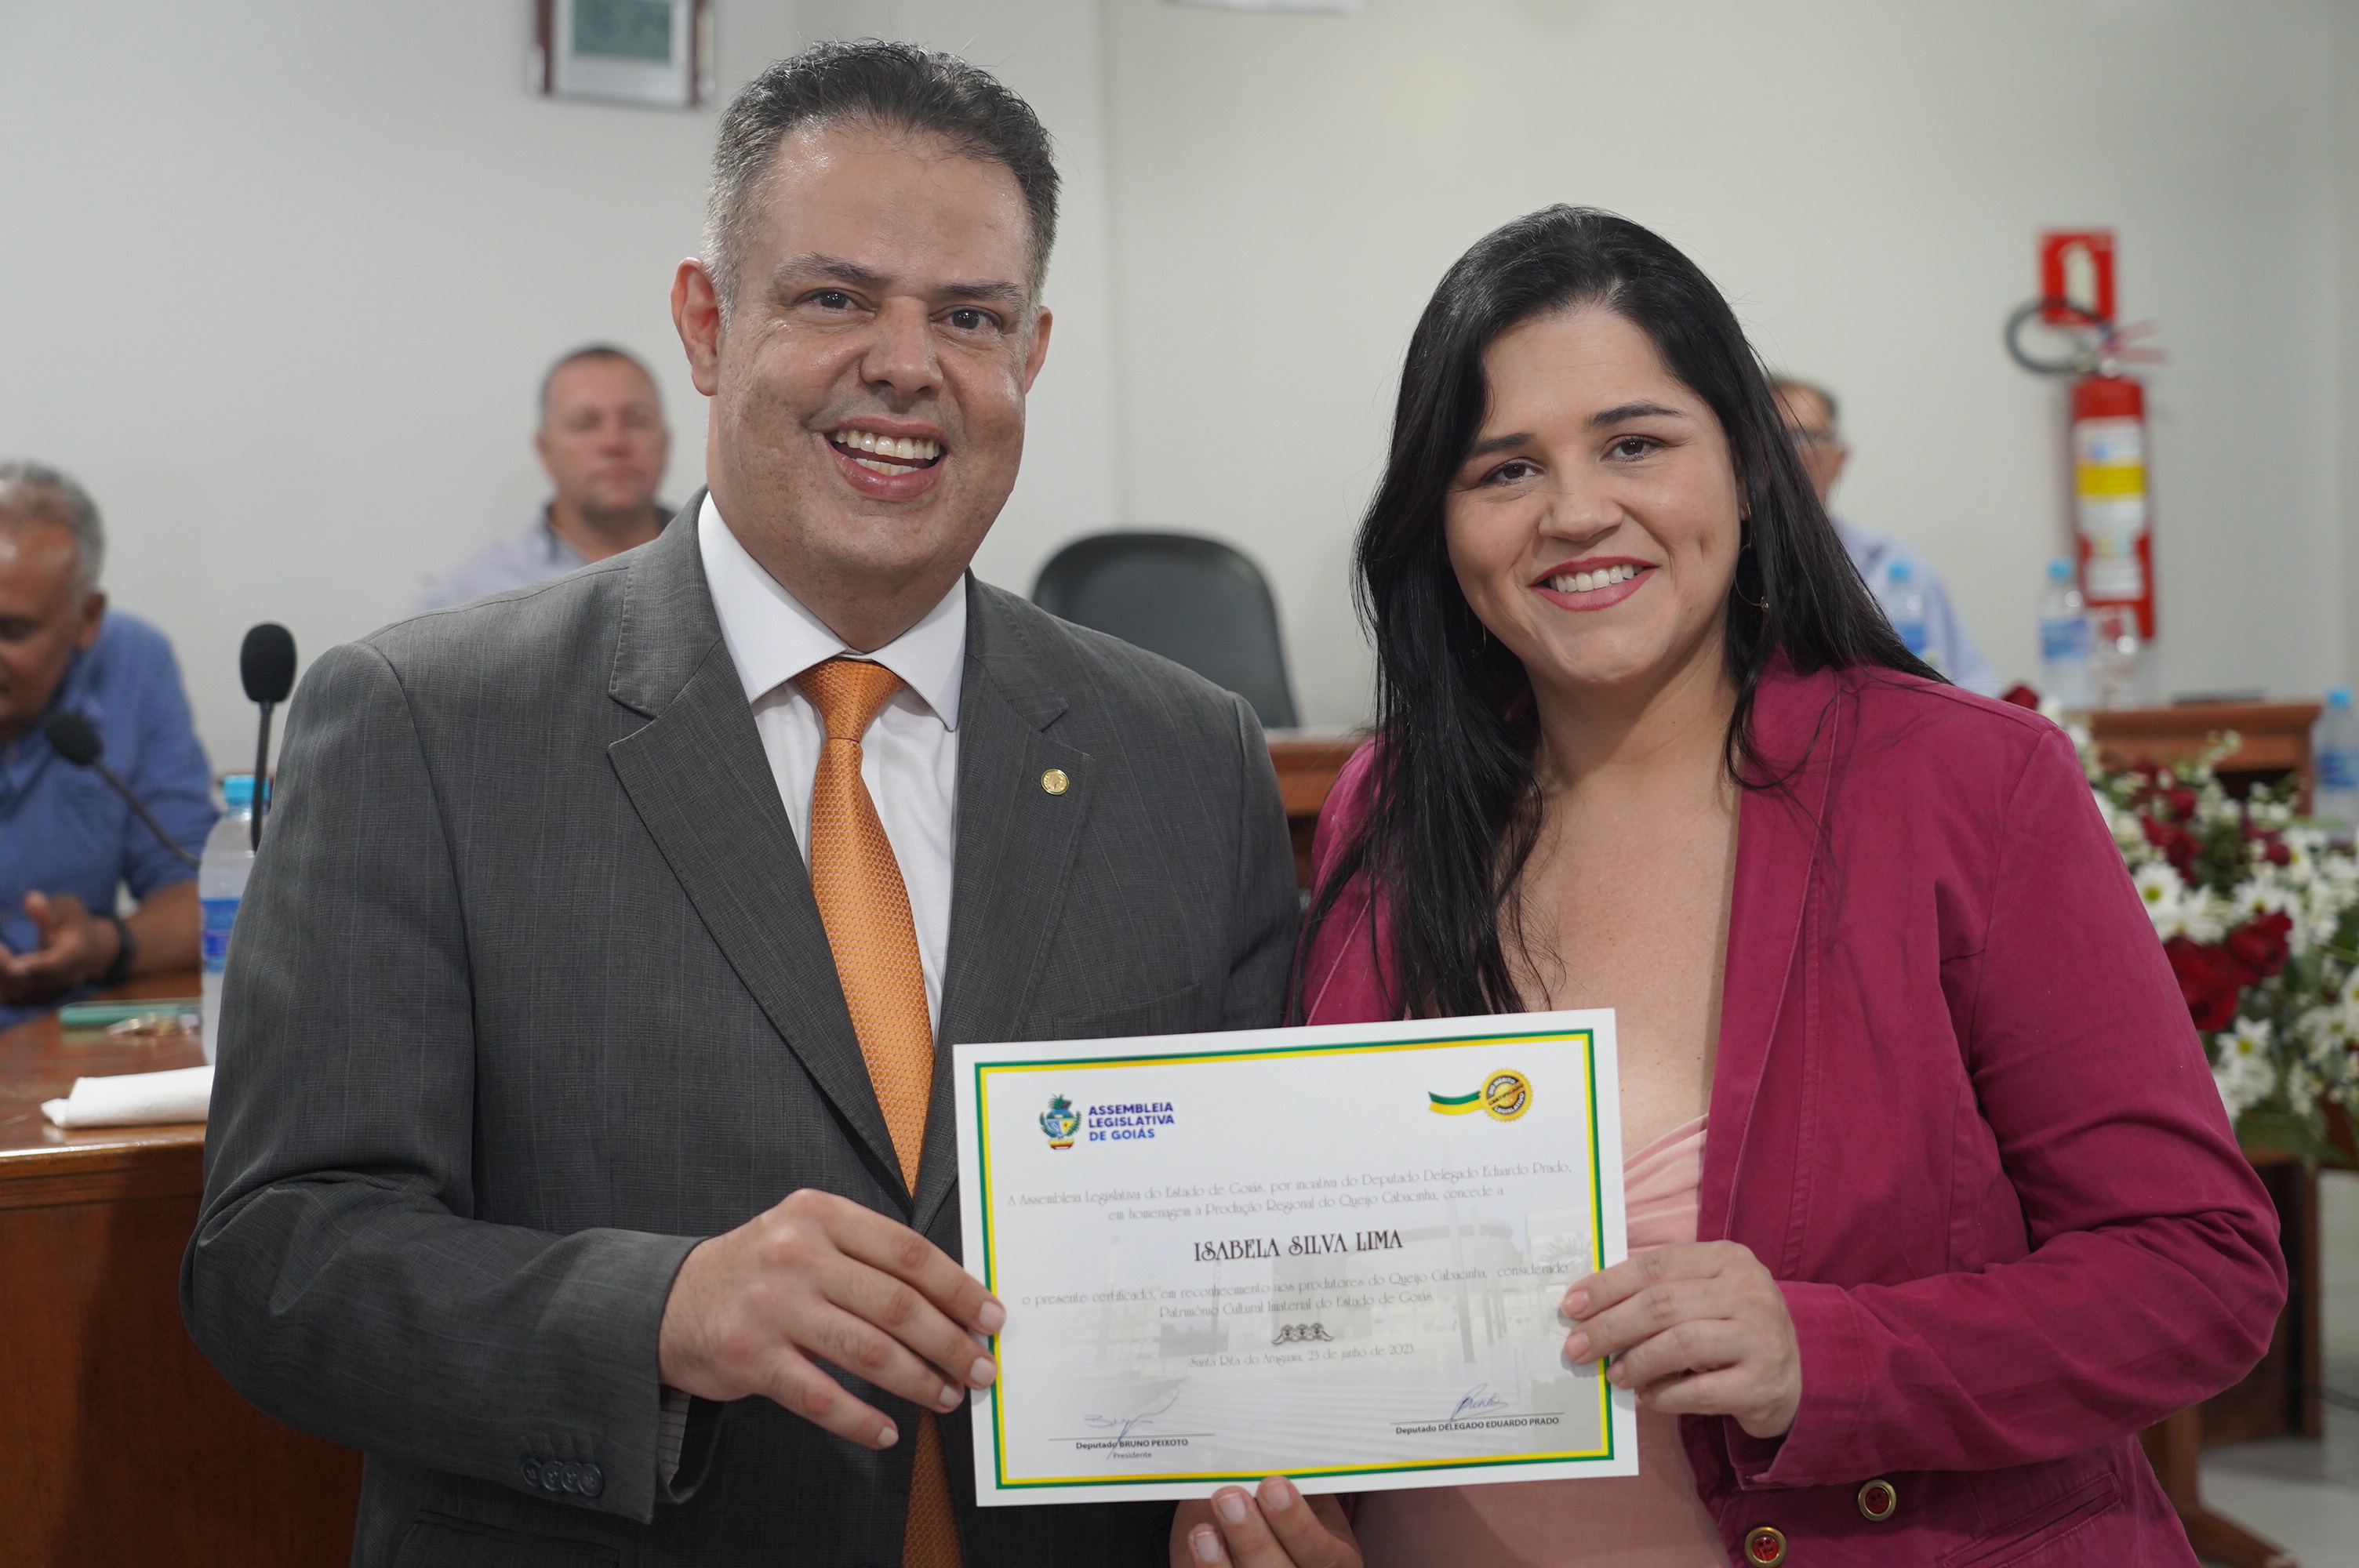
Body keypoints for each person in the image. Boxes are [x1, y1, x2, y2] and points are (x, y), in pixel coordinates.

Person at [184, 42, 1298, 1568]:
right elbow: (276, 1260)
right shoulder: (426, 727)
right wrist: (655, 1311)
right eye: (834, 298)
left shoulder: (1186, 757)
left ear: (1030, 353)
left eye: (968, 316)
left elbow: (1253, 1248)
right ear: (707, 324)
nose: (905, 365)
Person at [1178, 209, 2284, 1567]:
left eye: (1635, 444)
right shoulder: (1391, 804)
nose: (1575, 511)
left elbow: (2197, 1270)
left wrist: (1829, 1355)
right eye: (1505, 467)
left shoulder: (1968, 784)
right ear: (1438, 524)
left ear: (1752, 468)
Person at [0, 463, 213, 1023]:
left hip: (61, 1036)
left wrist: (102, 945)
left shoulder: (132, 665)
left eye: (12, 632)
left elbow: (199, 895)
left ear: (86, 618)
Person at [1770, 376, 1999, 695]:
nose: (1786, 456)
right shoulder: (1725, 568)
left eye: (1803, 438)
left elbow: (1973, 686)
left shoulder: (1895, 563)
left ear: (1838, 459)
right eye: (1771, 439)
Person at [410, 343, 674, 612]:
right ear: (545, 450)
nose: (614, 442)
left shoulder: (701, 560)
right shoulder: (469, 599)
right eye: (584, 424)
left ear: (665, 442)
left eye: (637, 421)